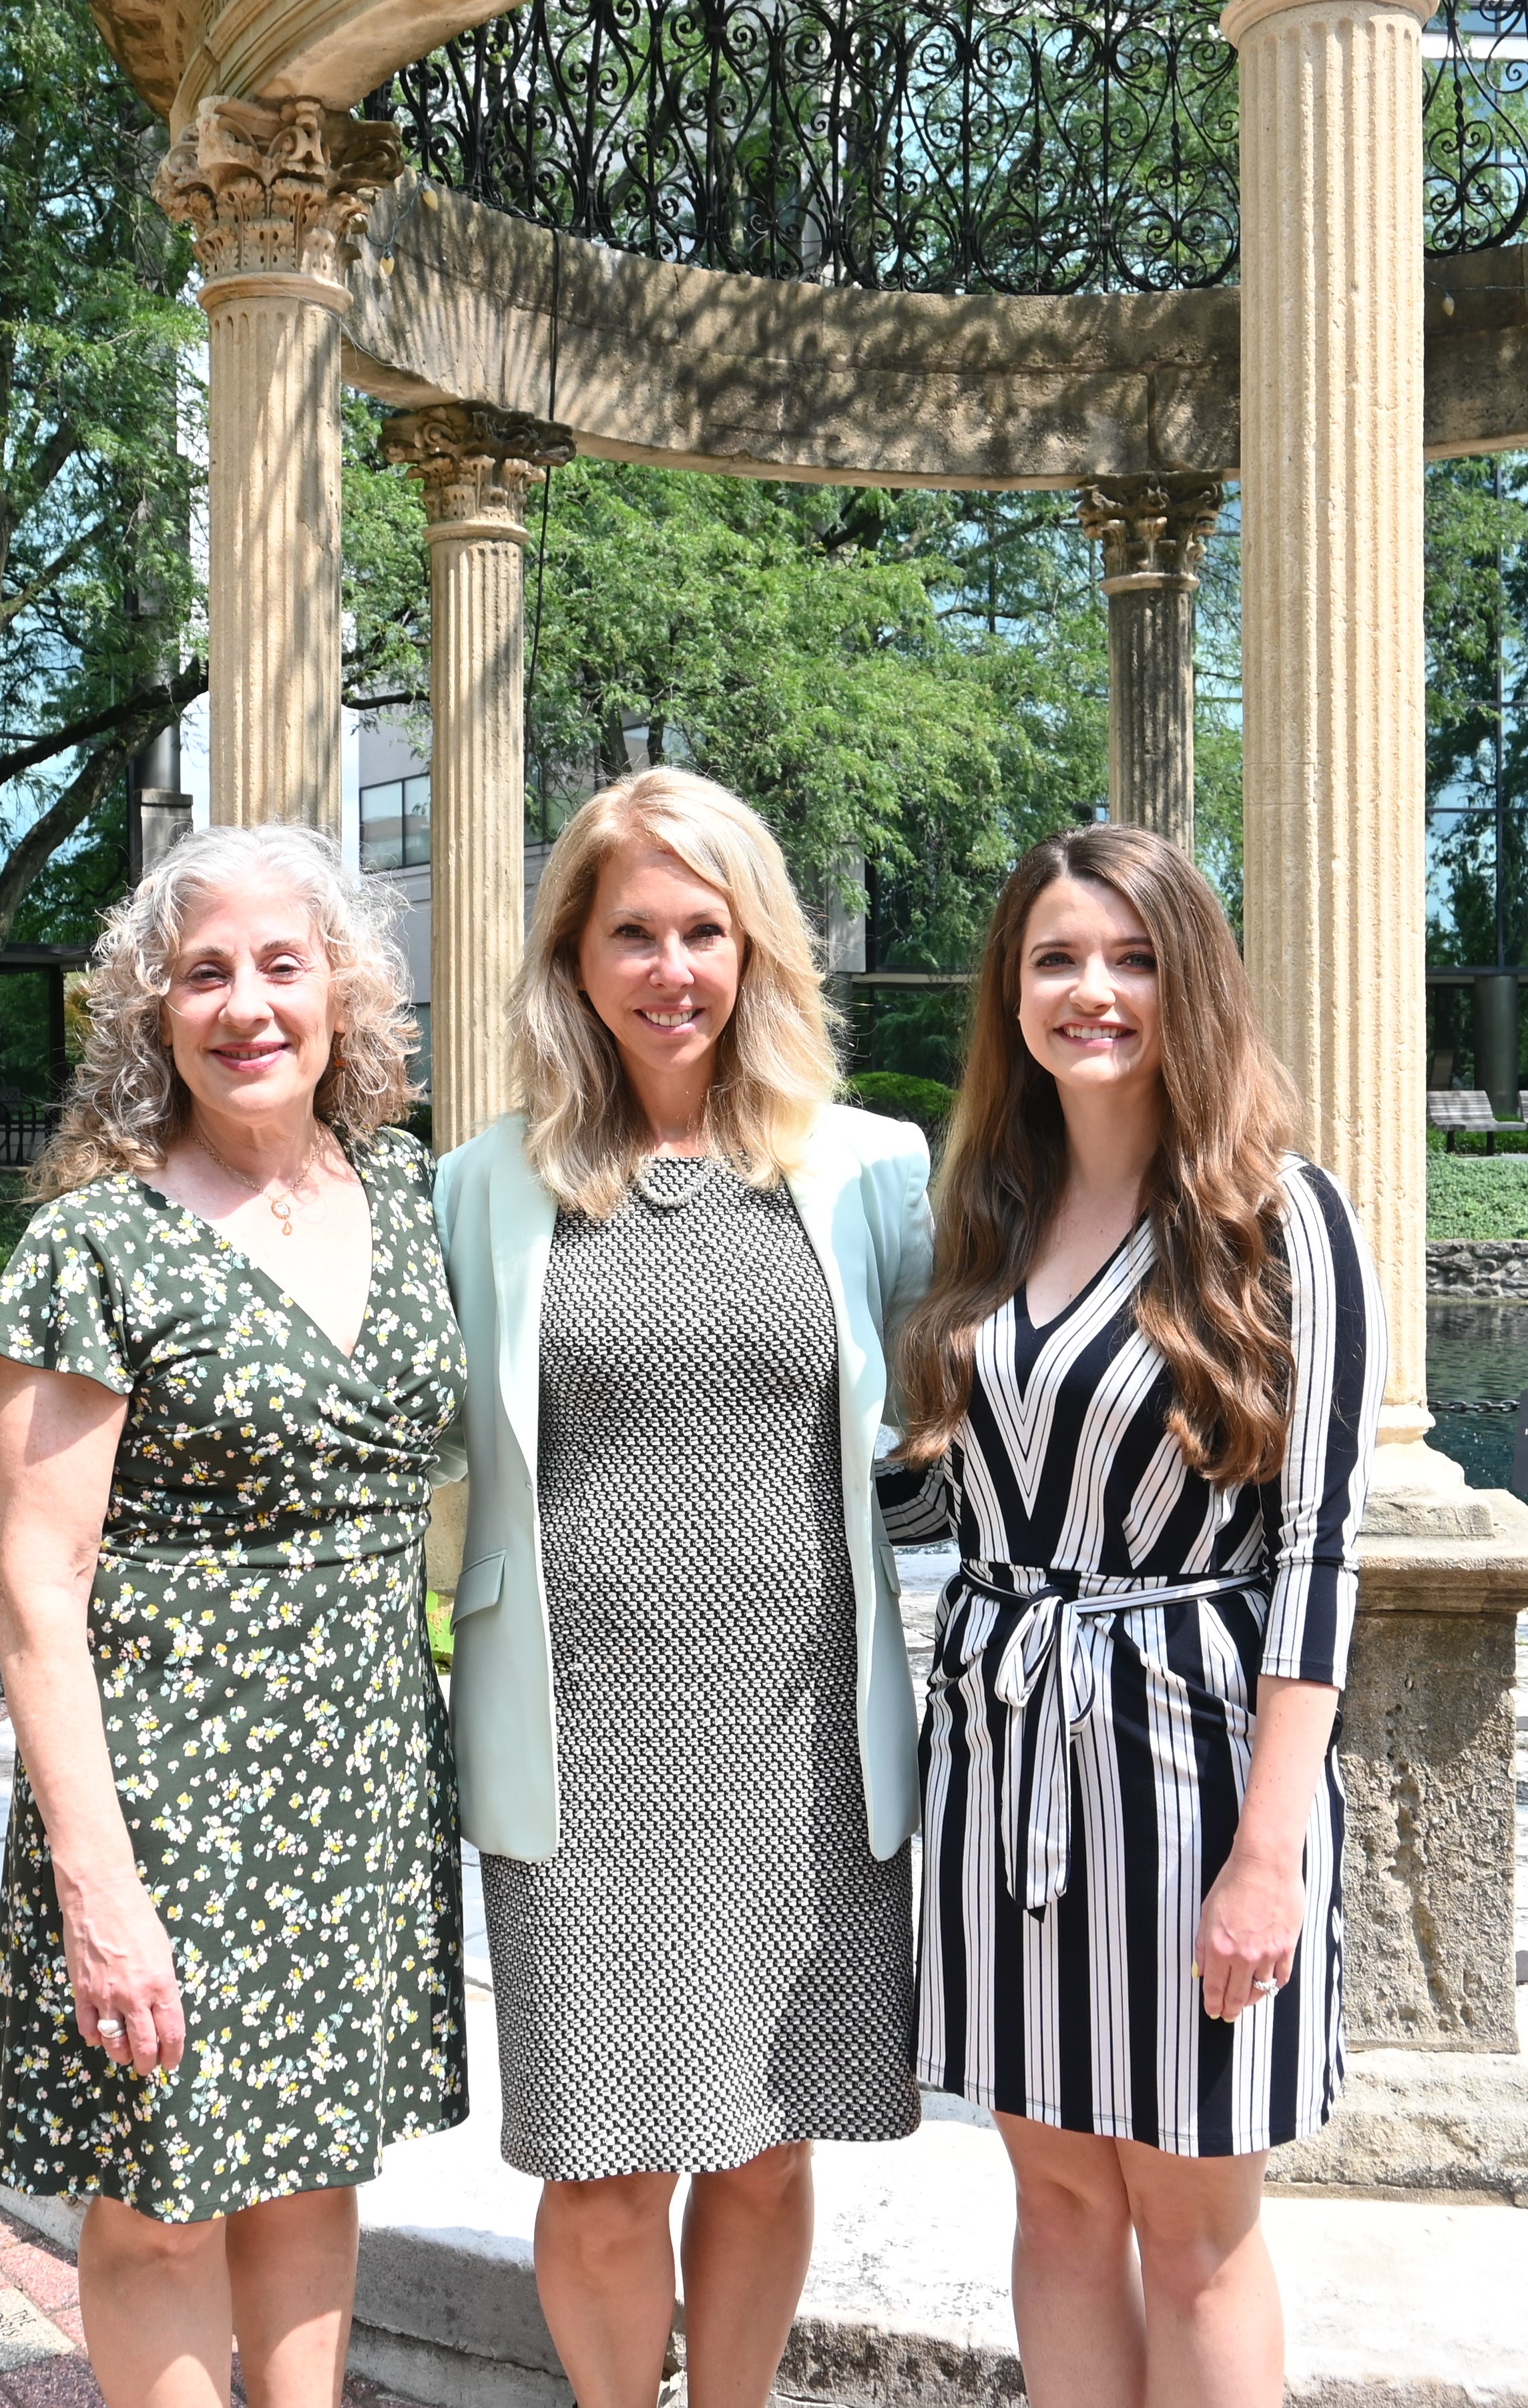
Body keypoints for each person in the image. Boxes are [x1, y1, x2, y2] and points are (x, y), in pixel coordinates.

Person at [434, 767, 934, 2408]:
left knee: (770, 2144)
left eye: (704, 932)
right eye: (633, 933)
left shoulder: (871, 1169)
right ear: (573, 958)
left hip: (800, 1737)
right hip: (576, 1737)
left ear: (756, 947)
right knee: (597, 2164)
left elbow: (951, 1422)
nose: (671, 969)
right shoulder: (479, 1186)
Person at [880, 824, 1384, 2408]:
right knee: (1055, 2198)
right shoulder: (989, 1209)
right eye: (1055, 958)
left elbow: (1320, 1547)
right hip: (997, 1747)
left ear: (1191, 982)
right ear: (1009, 992)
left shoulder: (1278, 1217)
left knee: (1195, 2225)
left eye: (1131, 957)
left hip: (1190, 1761)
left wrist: (1267, 1851)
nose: (1090, 990)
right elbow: (941, 1496)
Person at [0, 824, 468, 2408]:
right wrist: (95, 1880)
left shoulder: (411, 1193)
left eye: (279, 964)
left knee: (314, 2158)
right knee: (162, 2194)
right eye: (203, 973)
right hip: (168, 1787)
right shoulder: (93, 1243)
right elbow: (37, 1592)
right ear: (152, 1013)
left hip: (361, 1774)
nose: (246, 1004)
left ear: (343, 994)